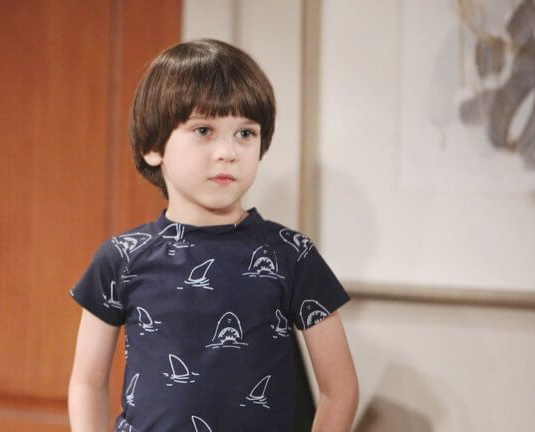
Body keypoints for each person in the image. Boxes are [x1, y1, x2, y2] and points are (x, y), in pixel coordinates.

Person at [68, 38, 358, 432]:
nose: (228, 152)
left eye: (245, 133)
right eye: (204, 130)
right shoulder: (120, 258)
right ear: (153, 146)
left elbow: (340, 389)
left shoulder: (292, 254)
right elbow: (87, 384)